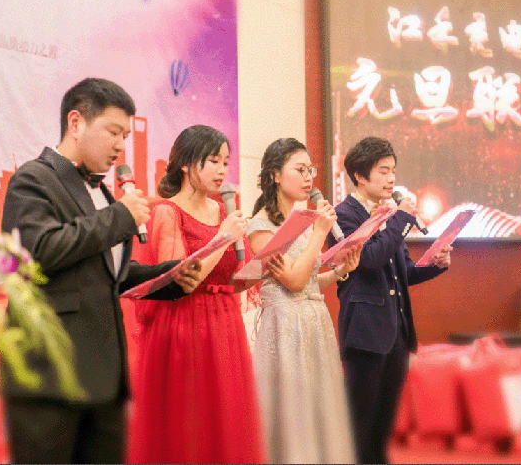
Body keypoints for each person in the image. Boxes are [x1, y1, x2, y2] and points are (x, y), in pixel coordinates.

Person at [0, 78, 202, 464]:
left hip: (104, 381)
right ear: (76, 123)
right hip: (49, 379)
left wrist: (170, 277)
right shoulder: (33, 179)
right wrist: (119, 217)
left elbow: (106, 274)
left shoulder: (105, 194)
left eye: (125, 136)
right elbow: (38, 253)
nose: (120, 146)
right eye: (113, 132)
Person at [129, 125, 266, 464]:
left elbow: (234, 279)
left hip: (225, 324)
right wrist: (222, 238)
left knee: (226, 422)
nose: (222, 171)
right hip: (184, 326)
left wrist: (263, 266)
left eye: (225, 162)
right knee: (190, 426)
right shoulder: (167, 211)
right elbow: (180, 281)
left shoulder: (224, 212)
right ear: (186, 164)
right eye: (213, 161)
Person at [328, 136, 452, 464]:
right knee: (359, 426)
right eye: (383, 171)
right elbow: (369, 260)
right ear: (360, 176)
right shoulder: (343, 216)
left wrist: (435, 264)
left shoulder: (389, 216)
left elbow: (403, 272)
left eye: (393, 171)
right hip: (365, 334)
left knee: (382, 428)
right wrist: (399, 220)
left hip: (396, 334)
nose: (391, 178)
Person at [246, 137, 360, 464]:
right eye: (300, 170)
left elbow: (308, 282)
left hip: (314, 323)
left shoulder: (305, 220)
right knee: (290, 416)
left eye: (311, 170)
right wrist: (320, 232)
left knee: (318, 413)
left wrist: (338, 271)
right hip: (285, 328)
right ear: (274, 175)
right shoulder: (260, 226)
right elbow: (293, 282)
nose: (309, 177)